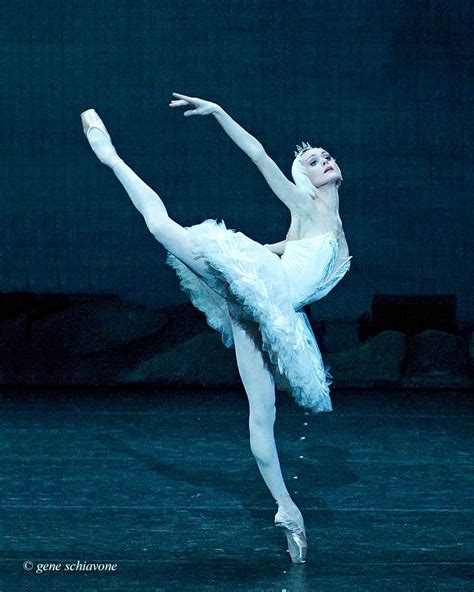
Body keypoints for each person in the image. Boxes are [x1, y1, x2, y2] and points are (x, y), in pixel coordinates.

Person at [80, 93, 352, 564]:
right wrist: (221, 113)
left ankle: (287, 509)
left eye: (325, 156)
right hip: (264, 288)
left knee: (262, 417)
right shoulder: (305, 208)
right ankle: (111, 157)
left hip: (269, 314)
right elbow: (259, 156)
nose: (323, 161)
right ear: (303, 179)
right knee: (162, 228)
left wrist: (265, 251)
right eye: (313, 160)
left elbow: (285, 250)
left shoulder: (320, 224)